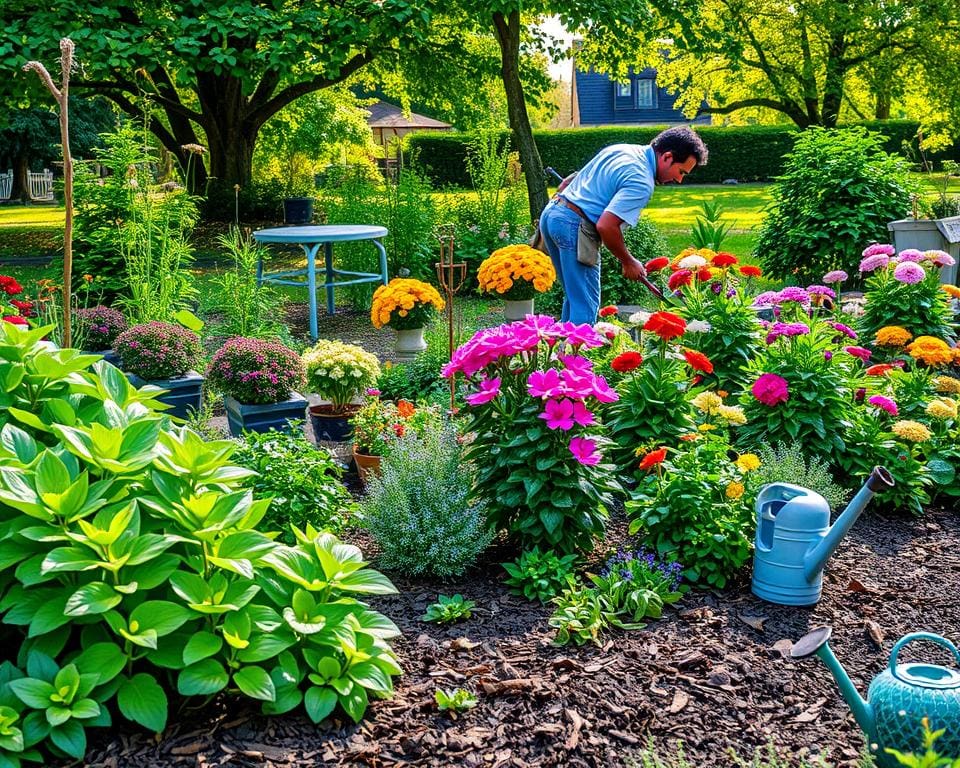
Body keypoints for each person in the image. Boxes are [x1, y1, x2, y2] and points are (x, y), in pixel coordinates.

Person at [538, 126, 708, 324]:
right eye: (681, 172)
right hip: (572, 226)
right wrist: (628, 261)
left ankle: (562, 352)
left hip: (553, 213)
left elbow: (565, 185)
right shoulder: (642, 181)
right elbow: (606, 226)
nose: (679, 179)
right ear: (667, 157)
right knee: (585, 305)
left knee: (575, 298)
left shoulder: (620, 150)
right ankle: (578, 354)